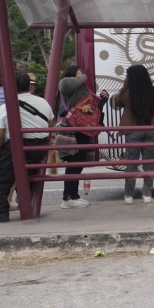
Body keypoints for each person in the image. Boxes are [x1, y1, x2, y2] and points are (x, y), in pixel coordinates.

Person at [0, 72, 53, 223]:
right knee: (26, 175)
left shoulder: (7, 105)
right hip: (40, 148)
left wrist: (1, 149)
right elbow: (50, 124)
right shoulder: (43, 102)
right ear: (29, 85)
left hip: (19, 147)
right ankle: (29, 204)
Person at [109, 64, 154, 204]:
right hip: (150, 130)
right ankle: (147, 195)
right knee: (148, 164)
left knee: (132, 164)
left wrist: (124, 85)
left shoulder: (127, 92)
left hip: (132, 131)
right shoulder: (152, 90)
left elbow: (118, 103)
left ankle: (129, 195)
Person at [56, 65, 107, 209]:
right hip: (72, 129)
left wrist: (102, 98)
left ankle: (73, 196)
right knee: (73, 163)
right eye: (80, 72)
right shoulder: (65, 83)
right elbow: (67, 83)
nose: (83, 74)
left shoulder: (83, 88)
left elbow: (93, 109)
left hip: (82, 129)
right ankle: (68, 198)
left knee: (78, 164)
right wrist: (84, 76)